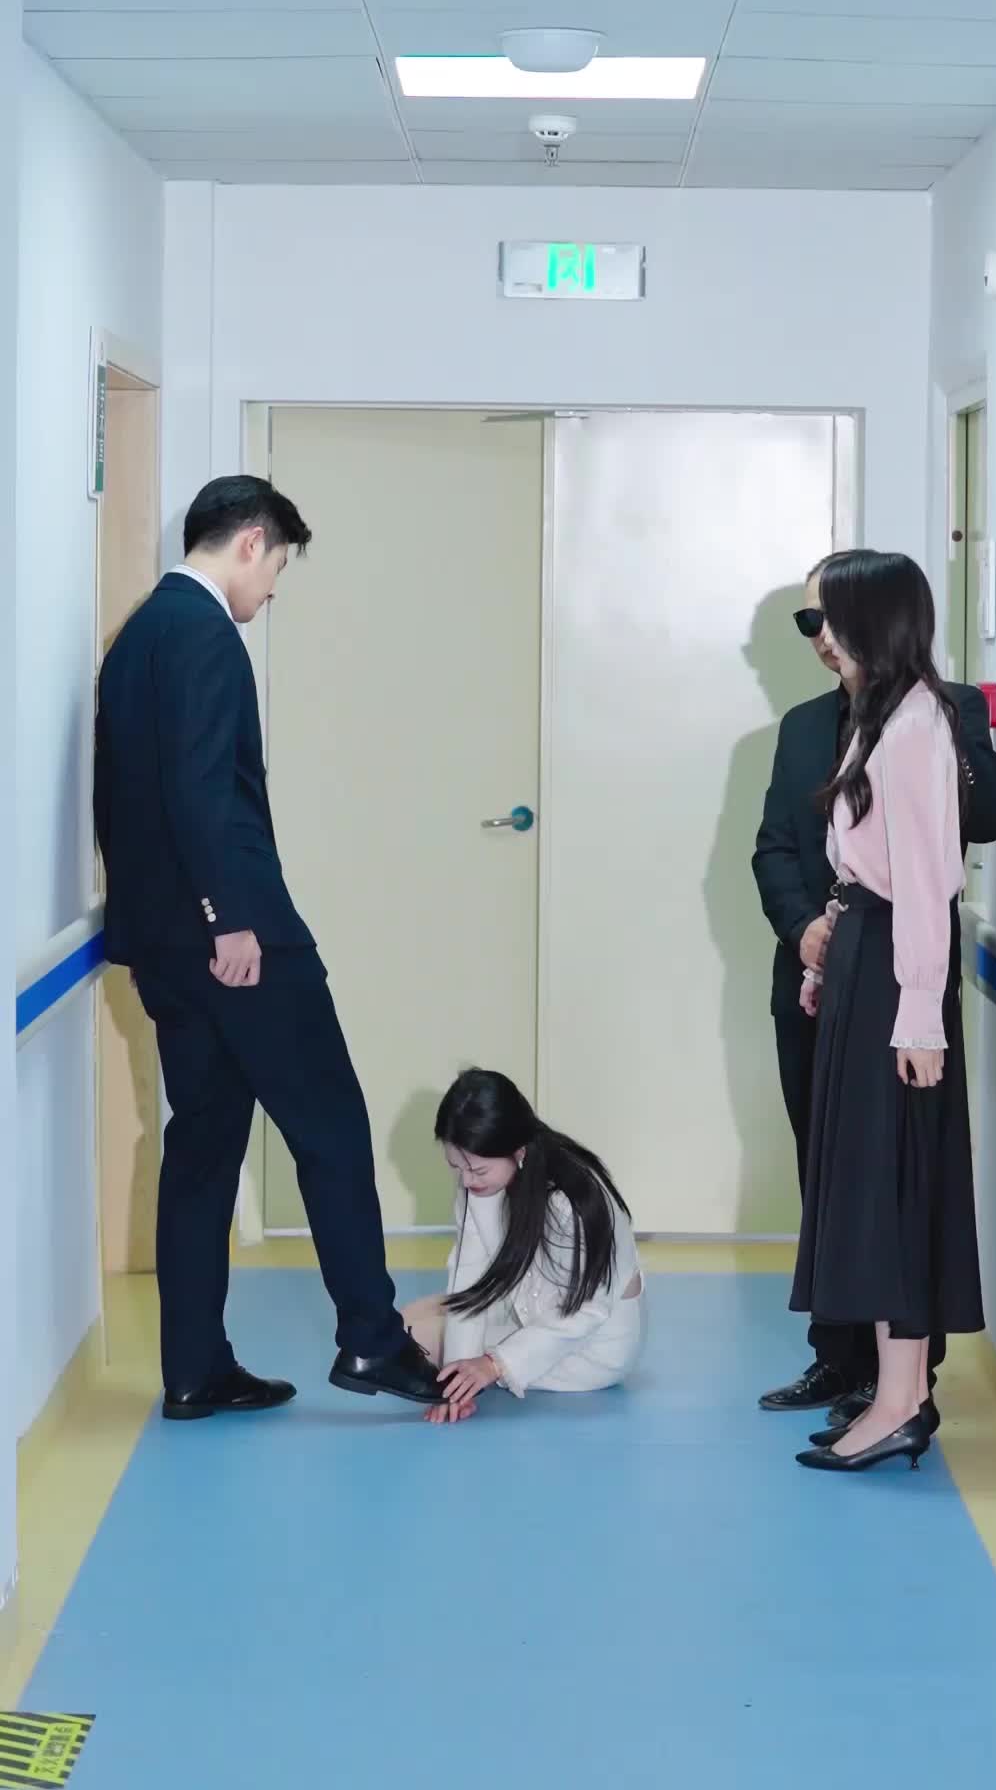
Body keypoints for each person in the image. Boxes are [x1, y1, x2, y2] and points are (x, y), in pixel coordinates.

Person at [93, 475, 442, 1419]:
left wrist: (166, 930)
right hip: (235, 939)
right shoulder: (204, 635)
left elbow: (119, 801)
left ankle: (194, 1370)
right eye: (278, 564)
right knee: (332, 1128)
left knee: (202, 1149)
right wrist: (230, 919)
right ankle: (371, 1340)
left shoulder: (135, 638)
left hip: (165, 950)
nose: (274, 587)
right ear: (250, 541)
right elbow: (203, 790)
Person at [753, 551, 996, 1418]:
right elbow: (774, 849)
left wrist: (948, 732)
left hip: (897, 974)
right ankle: (839, 1361)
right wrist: (807, 933)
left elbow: (977, 827)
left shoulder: (936, 714)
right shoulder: (804, 727)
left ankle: (899, 1384)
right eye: (808, 623)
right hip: (827, 967)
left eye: (828, 617)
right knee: (832, 1169)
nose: (820, 637)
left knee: (892, 1174)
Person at [401, 1069, 644, 1423]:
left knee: (414, 1337)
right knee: (405, 1320)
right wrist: (458, 1382)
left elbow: (586, 1311)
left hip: (591, 1347)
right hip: (530, 1309)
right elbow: (469, 1278)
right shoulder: (484, 1181)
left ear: (518, 1151)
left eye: (478, 1171)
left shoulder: (573, 1201)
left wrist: (493, 1365)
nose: (466, 1181)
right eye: (456, 1167)